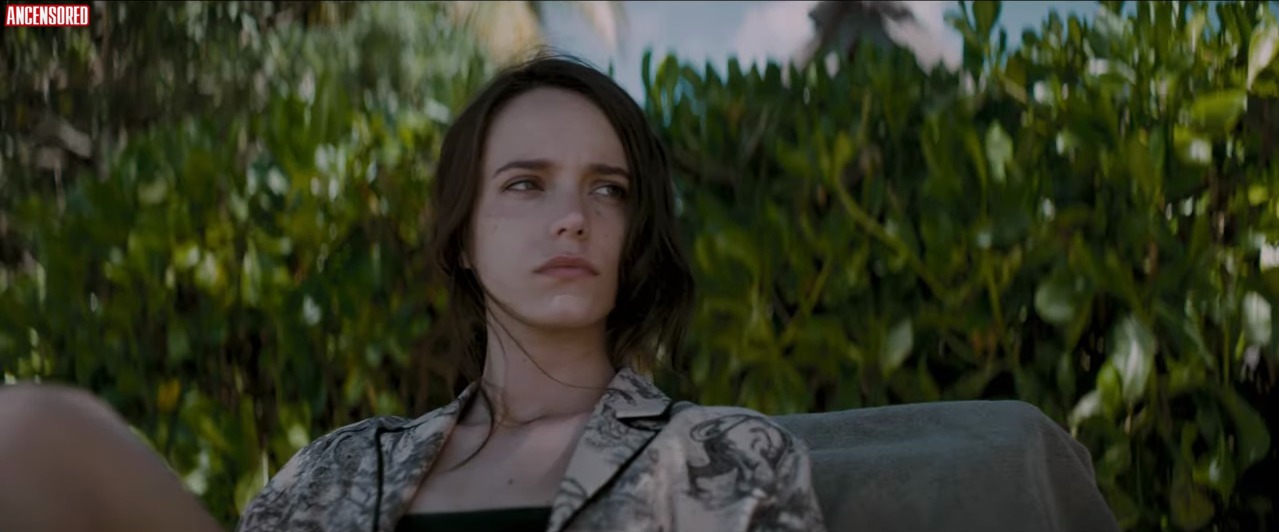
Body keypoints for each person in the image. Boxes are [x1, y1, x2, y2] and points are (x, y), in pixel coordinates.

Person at [0, 52, 827, 532]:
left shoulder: (727, 455)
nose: (573, 217)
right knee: (31, 430)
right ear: (462, 238)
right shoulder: (337, 467)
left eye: (607, 189)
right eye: (526, 183)